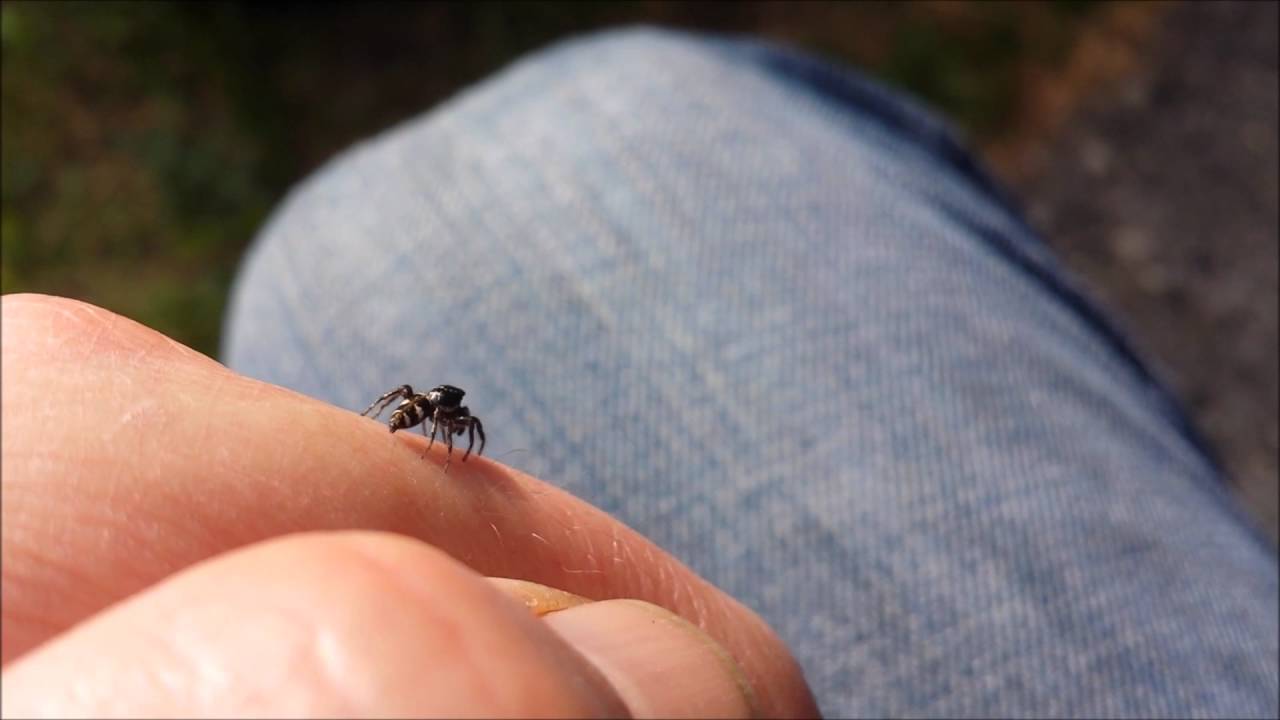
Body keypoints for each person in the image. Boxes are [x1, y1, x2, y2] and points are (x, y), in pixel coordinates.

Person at [2, 28, 1275, 718]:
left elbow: (442, 413)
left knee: (360, 241)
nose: (430, 421)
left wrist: (443, 444)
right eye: (427, 418)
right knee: (585, 134)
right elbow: (420, 408)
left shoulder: (441, 413)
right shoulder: (421, 410)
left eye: (430, 419)